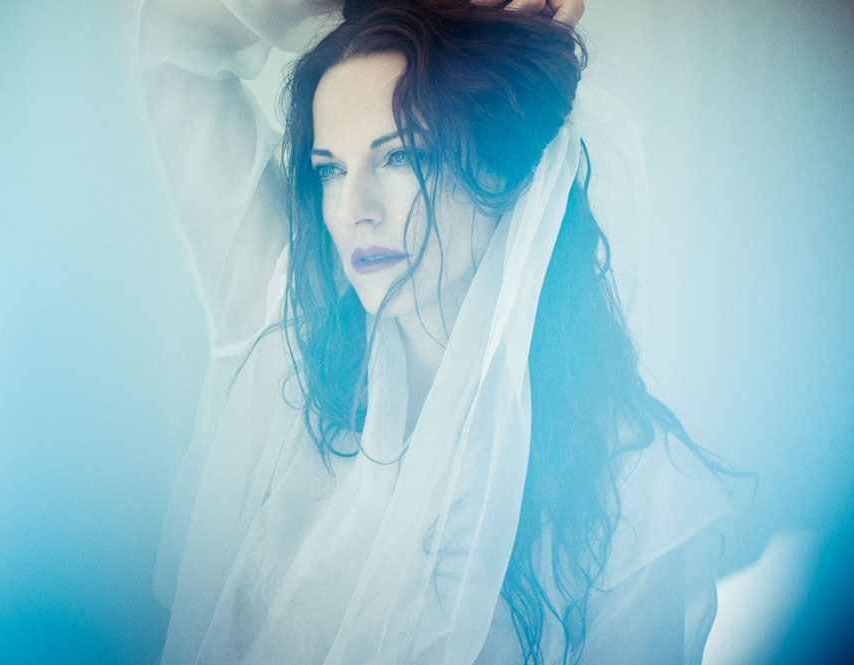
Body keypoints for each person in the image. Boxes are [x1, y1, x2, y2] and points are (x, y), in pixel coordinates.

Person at [121, 0, 733, 662]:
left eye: (401, 157)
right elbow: (176, 36)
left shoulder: (638, 487)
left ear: (506, 168)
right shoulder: (288, 334)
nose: (355, 209)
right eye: (331, 168)